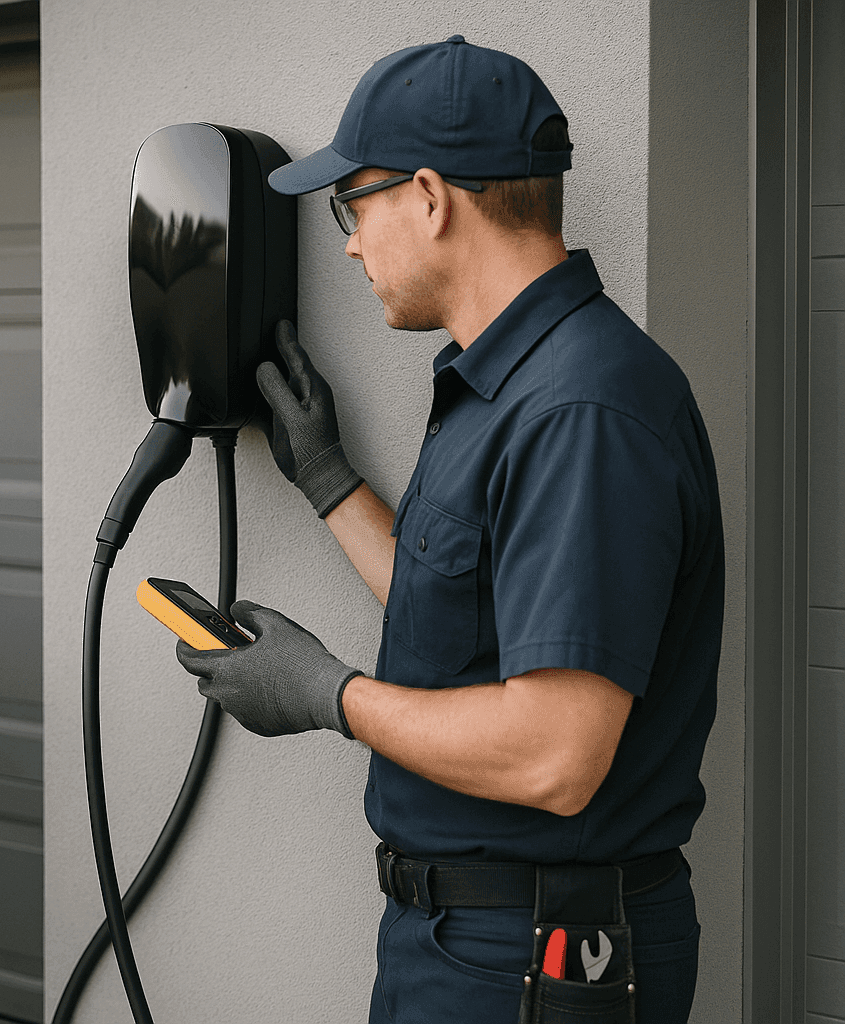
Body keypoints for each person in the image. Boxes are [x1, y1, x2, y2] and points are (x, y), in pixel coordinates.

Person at [173, 35, 719, 1024]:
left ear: (430, 198)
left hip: (540, 959)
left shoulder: (585, 409)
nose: (346, 242)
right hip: (468, 944)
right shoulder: (503, 387)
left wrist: (327, 693)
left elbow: (557, 754)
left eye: (355, 204)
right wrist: (328, 479)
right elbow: (472, 623)